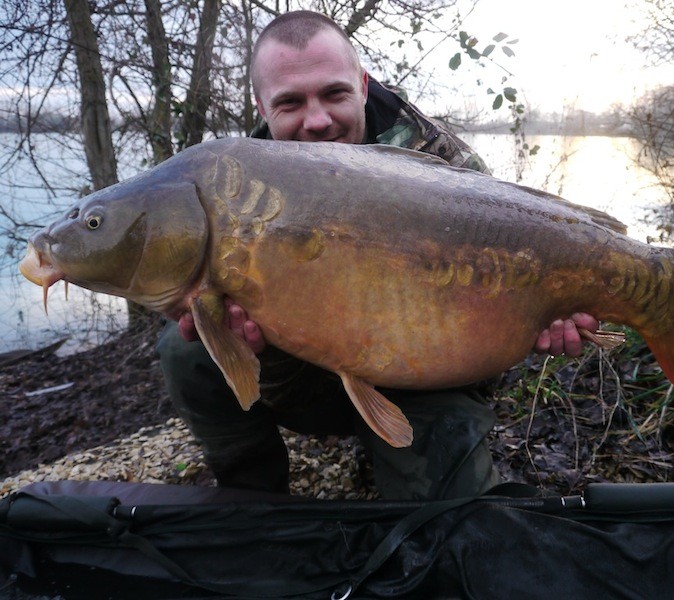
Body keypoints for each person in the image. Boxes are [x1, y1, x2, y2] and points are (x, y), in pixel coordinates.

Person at [156, 10, 599, 500]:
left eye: (334, 93)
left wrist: (535, 318)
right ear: (263, 106)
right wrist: (252, 350)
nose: (318, 120)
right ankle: (253, 500)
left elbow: (488, 333)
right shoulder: (233, 188)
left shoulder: (443, 162)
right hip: (304, 368)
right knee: (186, 348)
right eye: (290, 103)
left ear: (364, 85)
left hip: (424, 373)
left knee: (444, 526)